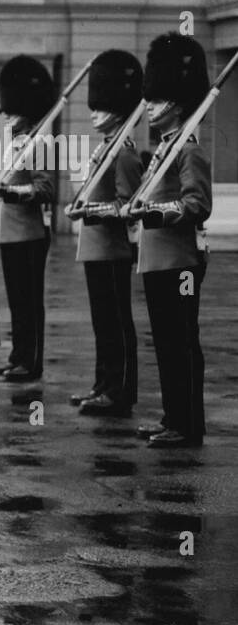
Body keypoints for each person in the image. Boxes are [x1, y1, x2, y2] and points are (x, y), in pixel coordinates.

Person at [126, 34, 211, 448]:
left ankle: (189, 423)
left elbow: (197, 204)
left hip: (181, 260)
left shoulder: (187, 150)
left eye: (157, 102)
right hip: (159, 258)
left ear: (176, 104)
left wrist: (154, 214)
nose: (150, 108)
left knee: (181, 342)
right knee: (165, 342)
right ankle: (173, 416)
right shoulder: (163, 149)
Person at [67, 50, 143, 417]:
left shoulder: (124, 153)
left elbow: (126, 207)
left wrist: (89, 212)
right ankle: (103, 384)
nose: (93, 113)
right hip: (95, 248)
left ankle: (121, 390)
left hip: (112, 249)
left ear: (118, 107)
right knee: (103, 324)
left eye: (100, 107)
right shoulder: (104, 148)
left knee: (116, 323)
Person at [0, 56, 56, 382]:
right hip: (10, 233)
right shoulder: (9, 143)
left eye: (13, 112)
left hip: (29, 232)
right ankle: (18, 355)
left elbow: (45, 188)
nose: (8, 118)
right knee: (16, 301)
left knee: (29, 302)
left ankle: (32, 361)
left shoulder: (39, 142)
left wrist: (11, 194)